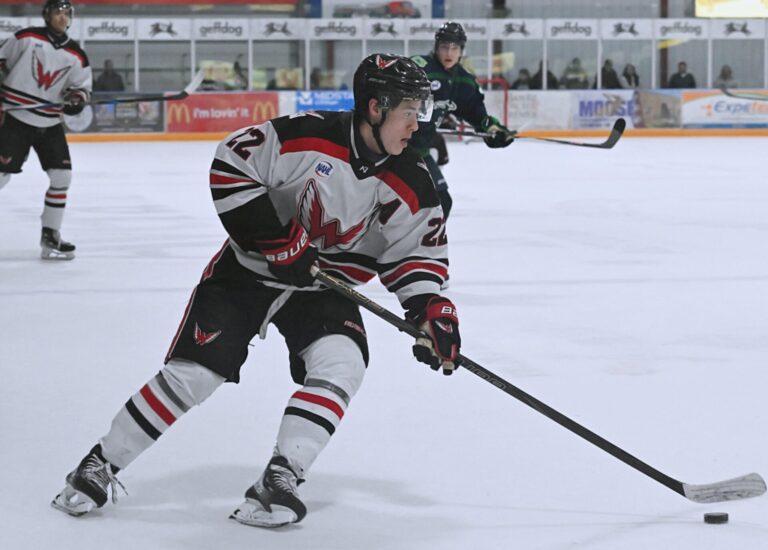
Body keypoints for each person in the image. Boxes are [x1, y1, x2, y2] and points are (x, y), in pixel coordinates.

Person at [50, 53, 461, 528]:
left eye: (421, 111)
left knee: (342, 365)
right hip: (246, 273)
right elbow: (230, 165)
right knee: (196, 376)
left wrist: (433, 309)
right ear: (375, 107)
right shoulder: (305, 136)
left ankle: (280, 477)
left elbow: (418, 255)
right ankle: (100, 462)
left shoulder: (412, 178)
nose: (418, 124)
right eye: (410, 111)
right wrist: (276, 241)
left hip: (323, 289)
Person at [0, 0, 91, 260]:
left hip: (50, 123)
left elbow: (81, 88)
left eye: (67, 13)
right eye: (57, 12)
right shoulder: (26, 38)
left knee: (62, 177)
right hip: (16, 119)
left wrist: (76, 99)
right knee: (1, 177)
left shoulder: (76, 54)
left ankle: (51, 234)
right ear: (46, 15)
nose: (62, 17)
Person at [409, 21, 514, 219]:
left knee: (441, 203)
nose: (449, 52)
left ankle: (421, 249)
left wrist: (493, 130)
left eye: (455, 48)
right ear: (436, 47)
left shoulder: (463, 81)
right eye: (444, 47)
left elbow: (477, 114)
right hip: (391, 148)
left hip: (419, 152)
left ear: (461, 51)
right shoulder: (418, 68)